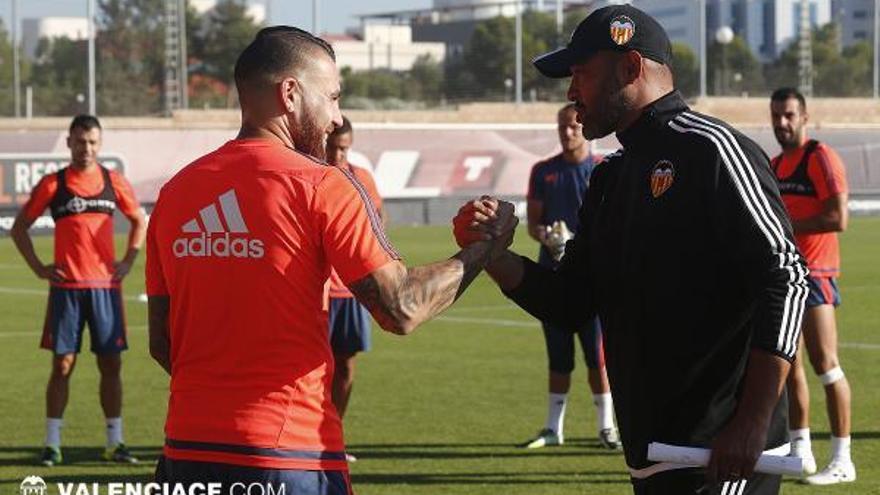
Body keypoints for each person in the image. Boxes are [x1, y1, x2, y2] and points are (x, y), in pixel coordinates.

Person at [453, 5, 808, 494]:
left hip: (718, 458)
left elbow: (786, 277)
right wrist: (495, 254)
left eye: (581, 73)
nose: (571, 91)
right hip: (652, 458)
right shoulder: (610, 176)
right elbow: (570, 300)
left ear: (631, 68)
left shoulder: (712, 149)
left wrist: (751, 422)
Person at [146, 26, 515, 495]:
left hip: (184, 454)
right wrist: (484, 248)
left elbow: (162, 343)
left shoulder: (176, 193)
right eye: (334, 97)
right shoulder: (321, 184)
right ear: (291, 94)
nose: (337, 119)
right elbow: (400, 306)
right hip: (288, 457)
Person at [11, 114, 146, 467]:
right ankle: (52, 443)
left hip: (105, 289)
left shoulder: (114, 182)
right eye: (80, 141)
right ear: (69, 142)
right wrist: (39, 268)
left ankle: (115, 442)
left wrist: (129, 259)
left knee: (111, 364)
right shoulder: (54, 185)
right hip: (66, 290)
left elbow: (139, 220)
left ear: (99, 145)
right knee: (63, 364)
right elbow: (19, 227)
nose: (86, 148)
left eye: (92, 142)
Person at [520, 103, 619, 450]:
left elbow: (612, 224)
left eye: (573, 126)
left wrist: (582, 244)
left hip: (592, 278)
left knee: (598, 356)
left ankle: (607, 427)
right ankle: (553, 428)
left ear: (585, 127)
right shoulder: (543, 171)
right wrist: (547, 237)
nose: (567, 132)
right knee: (559, 355)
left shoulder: (603, 170)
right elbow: (533, 223)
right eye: (562, 127)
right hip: (552, 276)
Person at [769, 87, 855, 485]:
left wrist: (787, 227)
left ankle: (842, 458)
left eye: (789, 115)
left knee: (826, 365)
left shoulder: (820, 157)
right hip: (788, 277)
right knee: (790, 367)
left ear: (804, 117)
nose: (782, 123)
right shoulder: (774, 164)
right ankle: (799, 449)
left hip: (817, 274)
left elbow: (838, 217)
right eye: (776, 116)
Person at [324, 116, 385, 462]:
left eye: (343, 149)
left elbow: (378, 222)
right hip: (314, 293)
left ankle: (333, 439)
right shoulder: (309, 174)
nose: (337, 155)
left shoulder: (361, 180)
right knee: (310, 370)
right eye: (331, 148)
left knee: (345, 368)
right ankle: (306, 440)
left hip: (350, 293)